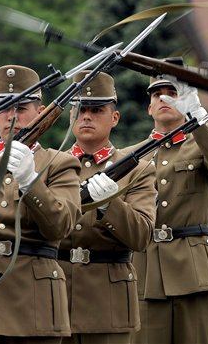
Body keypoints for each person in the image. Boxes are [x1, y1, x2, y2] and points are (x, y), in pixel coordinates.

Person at [130, 73, 208, 344]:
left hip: (194, 270)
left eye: (173, 93)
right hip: (147, 272)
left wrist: (198, 117)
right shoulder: (132, 155)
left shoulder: (202, 145)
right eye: (157, 94)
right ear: (149, 107)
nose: (164, 98)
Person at [0, 65, 81, 343]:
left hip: (34, 301)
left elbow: (60, 227)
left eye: (22, 108)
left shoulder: (59, 163)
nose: (11, 116)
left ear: (40, 113)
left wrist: (30, 180)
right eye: (4, 107)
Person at [58, 70, 156, 344]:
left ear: (114, 118)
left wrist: (109, 206)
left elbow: (141, 237)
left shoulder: (139, 170)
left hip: (107, 302)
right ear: (70, 116)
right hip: (55, 298)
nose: (86, 116)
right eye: (80, 109)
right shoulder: (53, 166)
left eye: (96, 109)